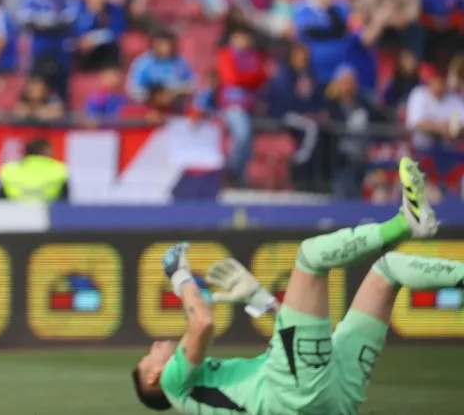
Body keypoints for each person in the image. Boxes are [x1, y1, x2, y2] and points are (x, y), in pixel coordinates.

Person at [132, 157, 457, 413]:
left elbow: (297, 349)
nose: (157, 343)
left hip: (327, 399)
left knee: (390, 270)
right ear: (153, 377)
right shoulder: (173, 383)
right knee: (310, 257)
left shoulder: (214, 379)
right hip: (297, 395)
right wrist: (180, 277)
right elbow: (202, 323)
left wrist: (260, 300)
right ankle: (406, 222)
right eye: (150, 354)